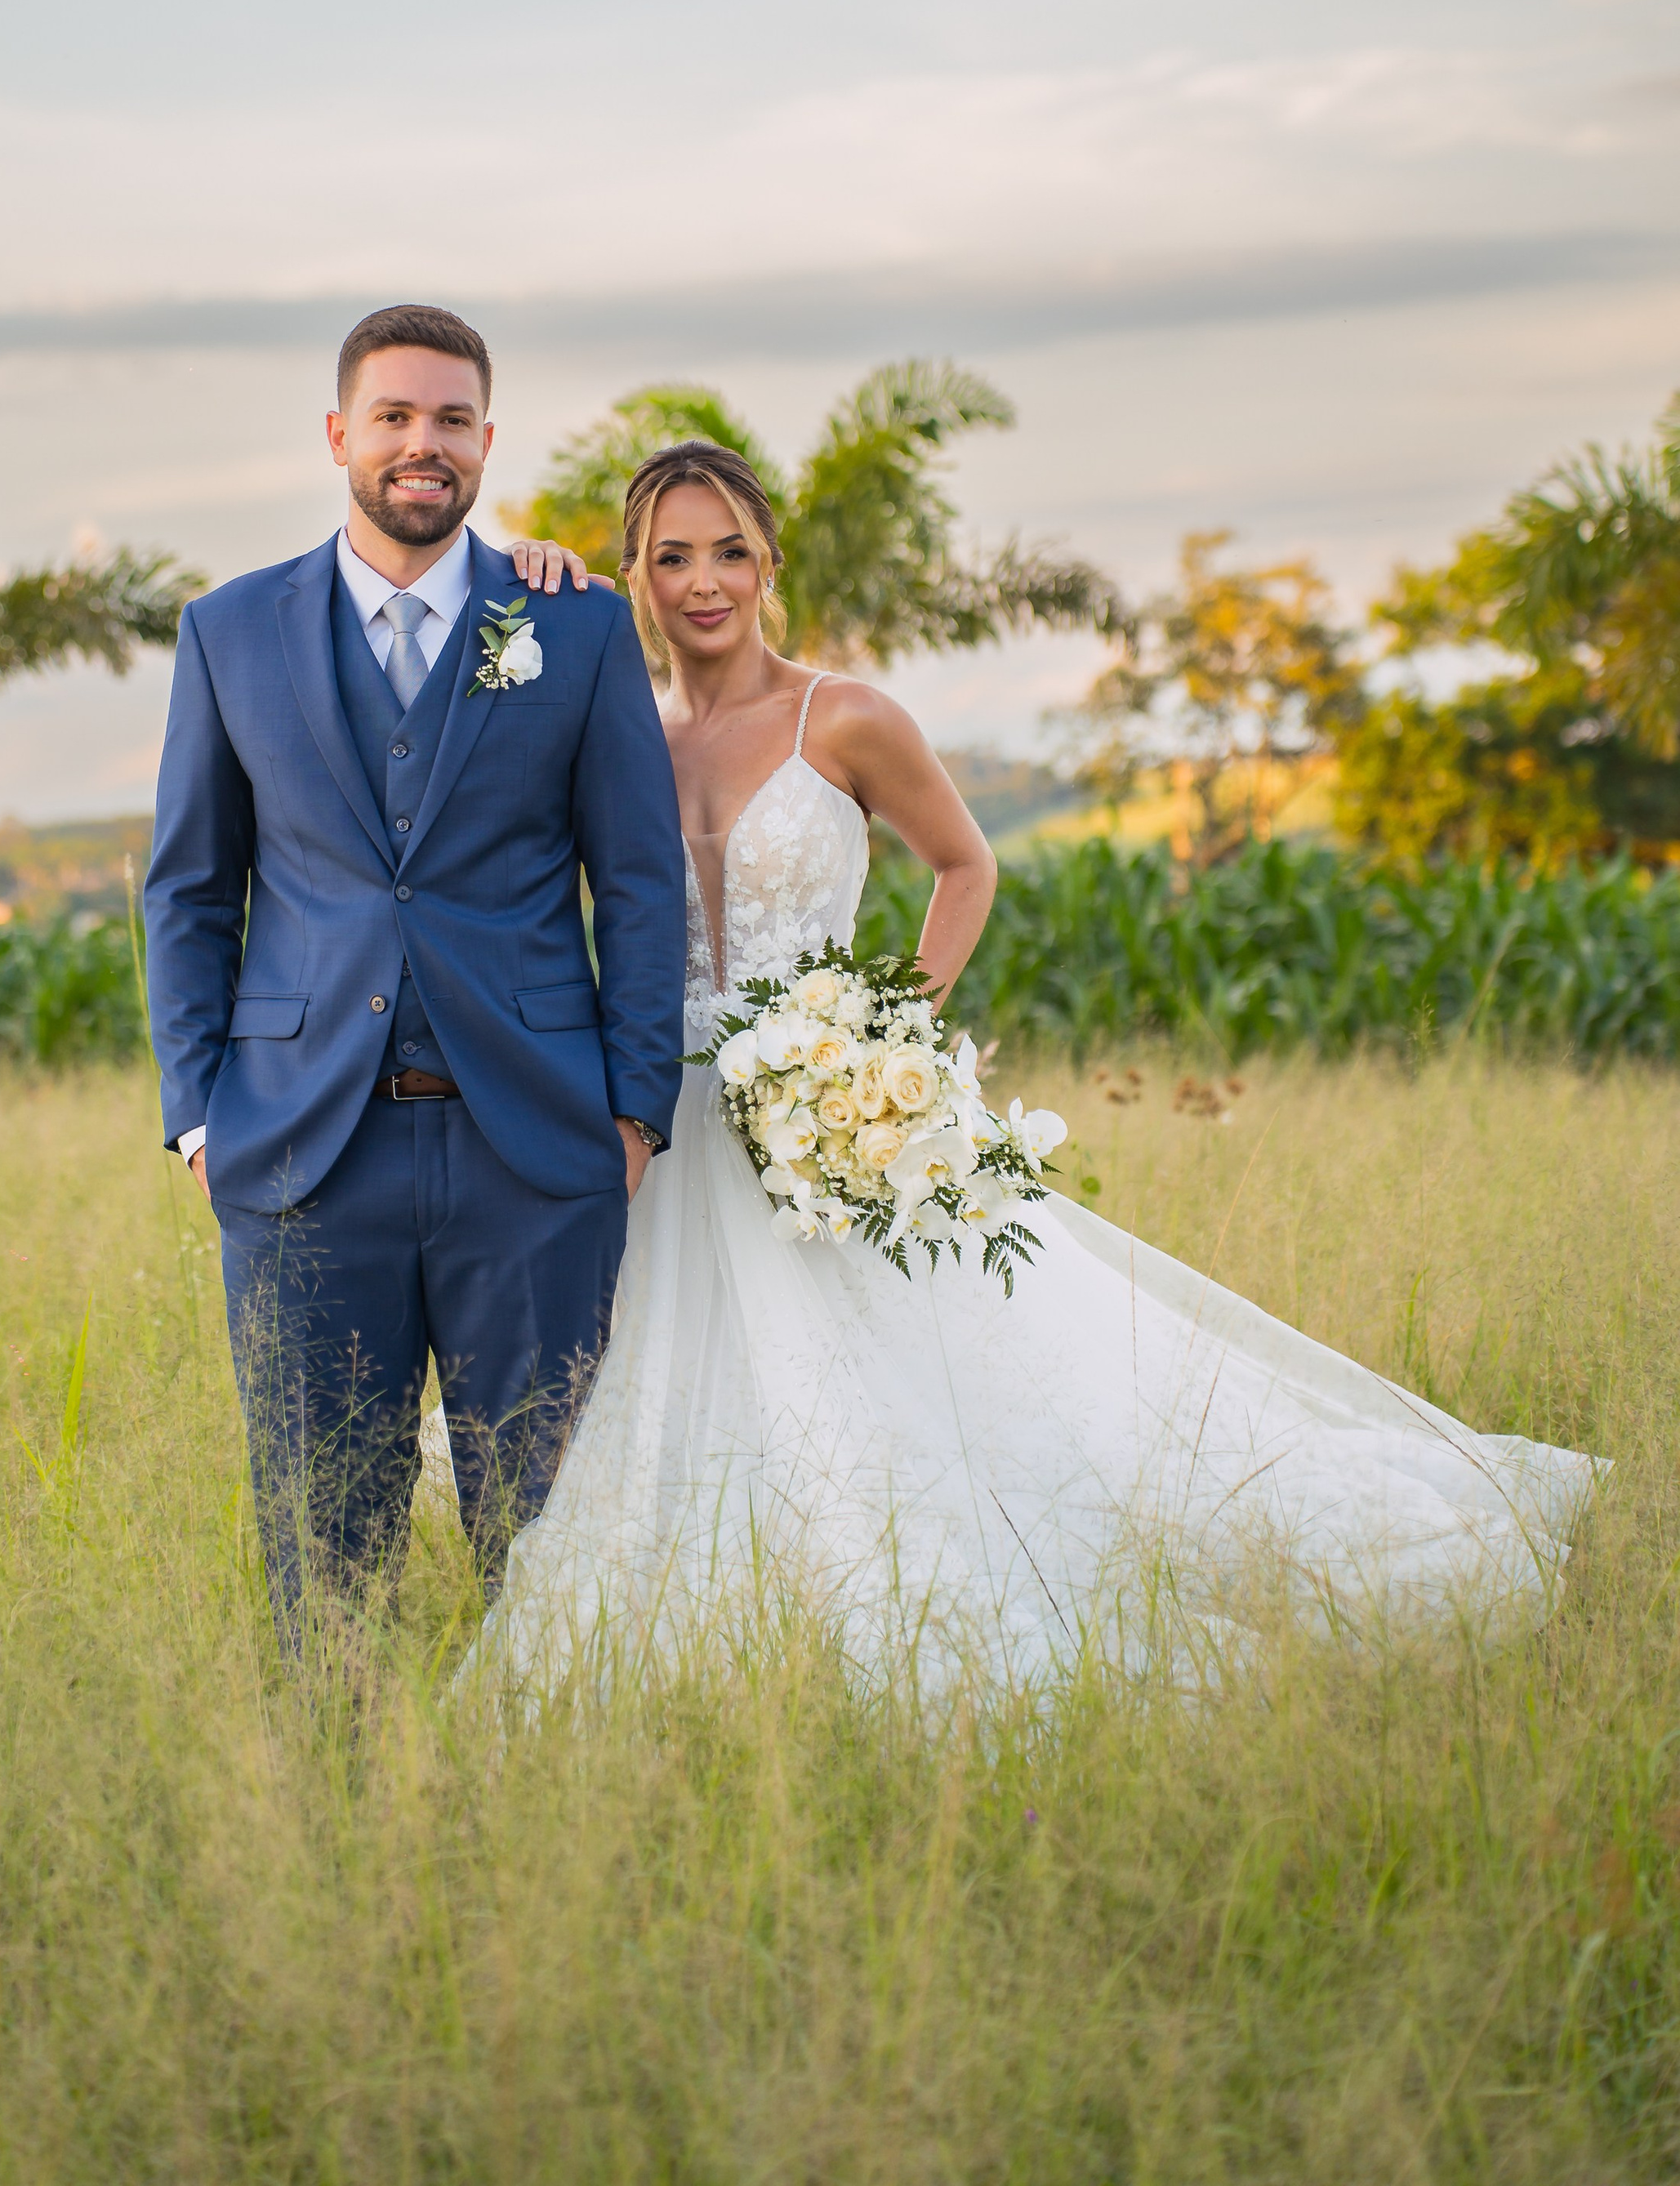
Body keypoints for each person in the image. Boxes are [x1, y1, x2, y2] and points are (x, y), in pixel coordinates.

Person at [471, 440, 1601, 1689]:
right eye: (671, 555)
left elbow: (968, 865)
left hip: (823, 1111)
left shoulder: (841, 715)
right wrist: (528, 573)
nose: (703, 582)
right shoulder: (618, 726)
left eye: (730, 550)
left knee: (923, 1386)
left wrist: (882, 1032)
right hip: (665, 1121)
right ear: (632, 571)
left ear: (769, 562)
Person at [145, 303, 684, 1630]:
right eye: (393, 416)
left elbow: (640, 880)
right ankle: (327, 1807)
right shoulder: (229, 632)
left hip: (539, 1154)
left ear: (487, 442)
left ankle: (551, 1802)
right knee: (321, 1537)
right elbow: (190, 888)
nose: (421, 445)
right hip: (301, 1152)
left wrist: (634, 1112)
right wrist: (202, 1116)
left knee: (551, 1537)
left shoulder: (577, 628)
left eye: (451, 420)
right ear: (340, 434)